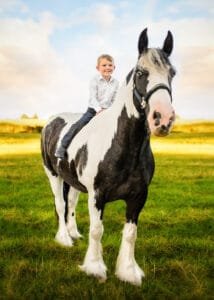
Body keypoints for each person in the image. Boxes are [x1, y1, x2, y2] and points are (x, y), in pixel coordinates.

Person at [55, 54, 119, 159]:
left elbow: (114, 99)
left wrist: (109, 110)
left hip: (108, 112)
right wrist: (99, 109)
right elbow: (93, 98)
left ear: (114, 67)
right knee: (78, 125)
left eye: (110, 65)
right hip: (93, 110)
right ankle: (62, 147)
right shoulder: (94, 80)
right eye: (104, 65)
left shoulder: (116, 83)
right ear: (98, 68)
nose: (107, 67)